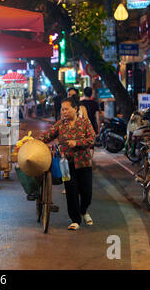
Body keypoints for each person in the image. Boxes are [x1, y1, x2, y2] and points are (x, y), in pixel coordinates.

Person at [37, 98, 96, 230]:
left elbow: (92, 139)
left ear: (75, 109)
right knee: (71, 191)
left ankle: (83, 210)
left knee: (87, 192)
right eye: (62, 109)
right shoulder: (60, 125)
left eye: (66, 109)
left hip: (84, 162)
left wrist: (77, 143)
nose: (64, 112)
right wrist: (33, 141)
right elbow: (47, 136)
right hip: (65, 164)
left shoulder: (85, 123)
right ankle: (75, 220)